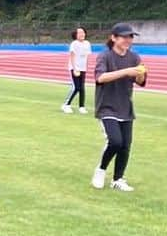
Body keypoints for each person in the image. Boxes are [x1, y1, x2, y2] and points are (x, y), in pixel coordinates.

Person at [91, 22, 147, 192]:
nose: (128, 40)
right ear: (113, 38)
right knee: (115, 141)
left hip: (125, 106)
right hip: (107, 106)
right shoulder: (105, 56)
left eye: (130, 37)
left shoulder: (134, 58)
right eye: (124, 37)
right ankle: (101, 169)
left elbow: (140, 82)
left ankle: (118, 179)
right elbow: (100, 78)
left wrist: (140, 73)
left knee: (125, 146)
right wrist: (126, 71)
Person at [62, 27, 92, 114]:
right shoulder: (74, 44)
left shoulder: (87, 43)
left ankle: (81, 106)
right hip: (74, 68)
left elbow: (87, 57)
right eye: (79, 33)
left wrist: (86, 68)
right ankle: (66, 105)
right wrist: (74, 69)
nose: (82, 34)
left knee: (82, 88)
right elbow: (72, 56)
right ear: (76, 35)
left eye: (83, 32)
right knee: (76, 87)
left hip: (83, 68)